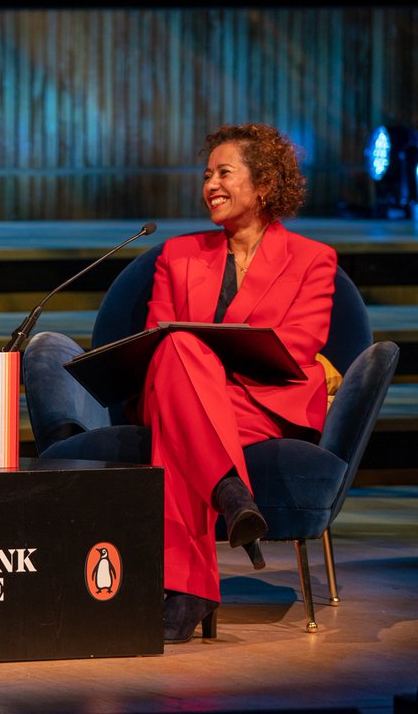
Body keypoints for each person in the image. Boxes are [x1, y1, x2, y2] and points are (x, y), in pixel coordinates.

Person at [136, 123, 336, 643]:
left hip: (265, 403)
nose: (210, 186)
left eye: (224, 173)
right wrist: (195, 363)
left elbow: (298, 346)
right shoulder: (178, 255)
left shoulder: (313, 259)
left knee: (181, 399)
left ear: (264, 184)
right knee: (177, 347)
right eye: (206, 175)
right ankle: (229, 491)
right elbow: (155, 337)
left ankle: (190, 587)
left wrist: (206, 368)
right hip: (185, 394)